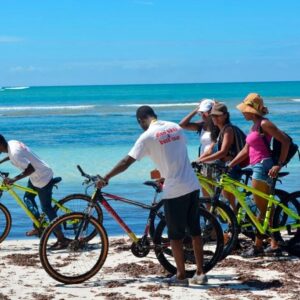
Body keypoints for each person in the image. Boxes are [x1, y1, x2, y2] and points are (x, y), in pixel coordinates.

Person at [96, 105, 207, 286]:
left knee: (175, 236)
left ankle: (180, 276)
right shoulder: (175, 127)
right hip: (192, 184)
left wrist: (106, 177)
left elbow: (127, 161)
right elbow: (176, 156)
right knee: (195, 231)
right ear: (154, 115)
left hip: (174, 190)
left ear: (141, 120)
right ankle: (201, 273)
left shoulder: (147, 136)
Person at [229, 93, 290, 257]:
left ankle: (258, 246)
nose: (242, 112)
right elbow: (247, 150)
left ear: (252, 111)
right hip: (257, 166)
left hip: (264, 167)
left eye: (245, 110)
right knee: (263, 207)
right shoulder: (254, 126)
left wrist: (279, 164)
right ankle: (273, 242)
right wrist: (231, 164)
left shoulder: (265, 124)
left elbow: (285, 141)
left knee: (260, 209)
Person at [0, 135, 67, 249]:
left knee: (46, 208)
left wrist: (13, 179)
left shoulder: (14, 154)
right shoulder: (12, 143)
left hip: (42, 177)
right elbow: (18, 156)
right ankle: (39, 227)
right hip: (36, 176)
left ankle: (62, 239)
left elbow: (30, 168)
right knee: (28, 198)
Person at [199, 102, 243, 212]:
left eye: (218, 115)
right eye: (213, 115)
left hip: (231, 168)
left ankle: (234, 224)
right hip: (224, 168)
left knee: (228, 199)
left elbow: (223, 152)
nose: (215, 118)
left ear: (225, 115)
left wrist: (202, 160)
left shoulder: (228, 129)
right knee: (226, 199)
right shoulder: (221, 131)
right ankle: (233, 223)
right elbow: (210, 150)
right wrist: (198, 160)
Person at [179, 99, 219, 198]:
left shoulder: (218, 126)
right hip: (204, 164)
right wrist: (196, 109)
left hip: (216, 164)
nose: (203, 115)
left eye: (205, 112)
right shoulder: (202, 125)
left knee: (217, 198)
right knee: (207, 196)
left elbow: (212, 147)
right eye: (201, 113)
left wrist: (199, 160)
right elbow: (182, 125)